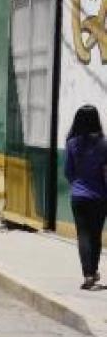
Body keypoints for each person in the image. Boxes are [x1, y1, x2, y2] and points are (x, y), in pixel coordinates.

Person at [64, 105, 107, 290]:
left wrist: (77, 185)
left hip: (79, 196)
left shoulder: (72, 143)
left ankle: (88, 274)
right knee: (96, 235)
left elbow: (68, 171)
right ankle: (93, 270)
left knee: (83, 235)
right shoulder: (104, 144)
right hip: (100, 197)